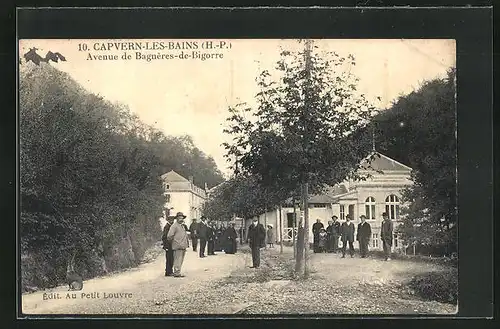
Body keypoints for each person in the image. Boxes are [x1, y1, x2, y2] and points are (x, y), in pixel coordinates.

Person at [166, 212, 189, 277]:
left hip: (183, 245)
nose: (181, 219)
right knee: (177, 260)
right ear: (177, 218)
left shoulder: (182, 226)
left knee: (180, 260)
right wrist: (175, 242)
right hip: (177, 246)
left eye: (182, 217)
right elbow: (169, 236)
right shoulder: (174, 226)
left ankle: (178, 271)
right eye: (179, 217)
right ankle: (176, 273)